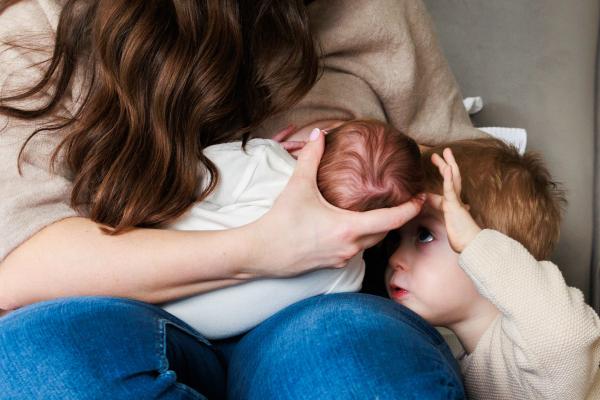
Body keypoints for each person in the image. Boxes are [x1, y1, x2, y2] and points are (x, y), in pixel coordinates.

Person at [0, 0, 477, 398]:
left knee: (352, 371)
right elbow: (19, 265)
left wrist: (387, 167)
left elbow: (470, 181)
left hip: (321, 317)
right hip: (125, 313)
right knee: (41, 362)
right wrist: (265, 249)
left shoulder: (370, 12)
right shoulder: (43, 29)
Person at [161, 119, 423, 340]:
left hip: (155, 272)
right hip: (199, 331)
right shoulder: (350, 273)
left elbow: (186, 175)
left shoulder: (264, 163)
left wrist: (250, 153)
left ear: (316, 146)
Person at [385, 137, 600, 399]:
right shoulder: (449, 360)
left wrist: (474, 242)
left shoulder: (535, 354)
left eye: (425, 235)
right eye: (397, 238)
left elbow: (569, 339)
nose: (394, 258)